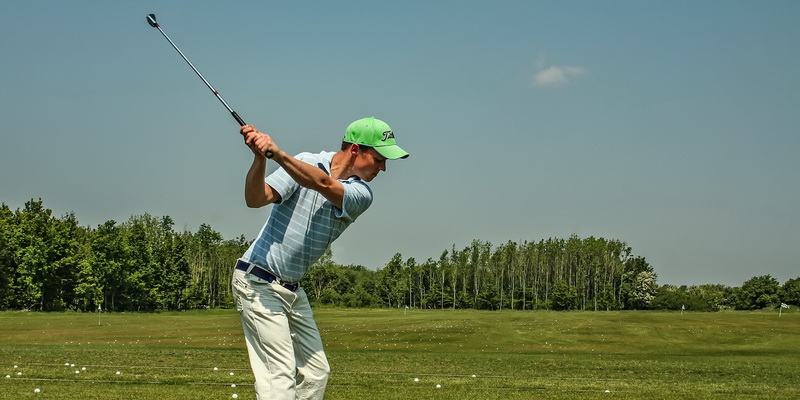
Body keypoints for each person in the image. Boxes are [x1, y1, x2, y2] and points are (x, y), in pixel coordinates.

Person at [231, 117, 409, 399]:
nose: (383, 168)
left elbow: (323, 183)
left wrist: (277, 154)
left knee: (315, 372)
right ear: (355, 149)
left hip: (292, 289)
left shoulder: (361, 193)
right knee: (279, 377)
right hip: (257, 280)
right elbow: (256, 198)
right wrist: (260, 159)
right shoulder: (304, 161)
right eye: (379, 159)